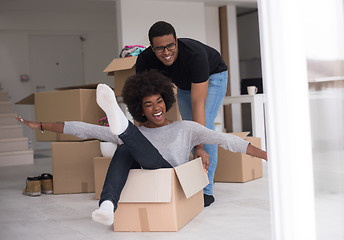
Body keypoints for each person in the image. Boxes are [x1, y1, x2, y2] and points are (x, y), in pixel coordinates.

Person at [17, 70, 267, 226]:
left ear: (166, 102)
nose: (156, 107)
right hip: (143, 174)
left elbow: (227, 140)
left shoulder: (186, 128)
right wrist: (39, 124)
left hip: (170, 176)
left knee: (126, 140)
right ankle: (107, 206)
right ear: (141, 108)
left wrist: (267, 155)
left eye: (159, 101)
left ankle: (121, 124)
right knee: (125, 147)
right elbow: (84, 129)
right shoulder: (142, 133)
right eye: (149, 104)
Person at [136, 21, 229, 206]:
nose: (167, 52)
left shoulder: (195, 55)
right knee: (188, 128)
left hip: (213, 76)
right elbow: (143, 100)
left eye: (170, 45)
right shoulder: (145, 61)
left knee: (204, 125)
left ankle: (206, 190)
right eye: (160, 48)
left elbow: (198, 104)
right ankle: (187, 182)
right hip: (185, 84)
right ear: (152, 48)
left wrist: (199, 146)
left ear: (176, 41)